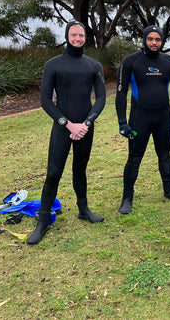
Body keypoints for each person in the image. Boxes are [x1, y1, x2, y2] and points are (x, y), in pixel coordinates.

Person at [28, 21, 106, 245]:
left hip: (85, 128)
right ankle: (43, 221)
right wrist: (68, 124)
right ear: (67, 36)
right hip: (63, 128)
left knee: (80, 170)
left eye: (81, 35)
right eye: (74, 35)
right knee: (53, 172)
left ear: (85, 37)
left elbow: (100, 98)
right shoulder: (53, 65)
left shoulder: (94, 65)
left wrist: (86, 123)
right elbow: (45, 100)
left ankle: (83, 209)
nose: (78, 39)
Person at [115, 25, 170, 214]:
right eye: (150, 39)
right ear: (145, 40)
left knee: (165, 154)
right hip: (140, 117)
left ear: (162, 41)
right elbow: (121, 93)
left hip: (163, 117)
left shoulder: (169, 62)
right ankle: (127, 198)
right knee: (134, 157)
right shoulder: (131, 61)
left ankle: (169, 190)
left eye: (158, 39)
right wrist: (122, 122)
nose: (154, 43)